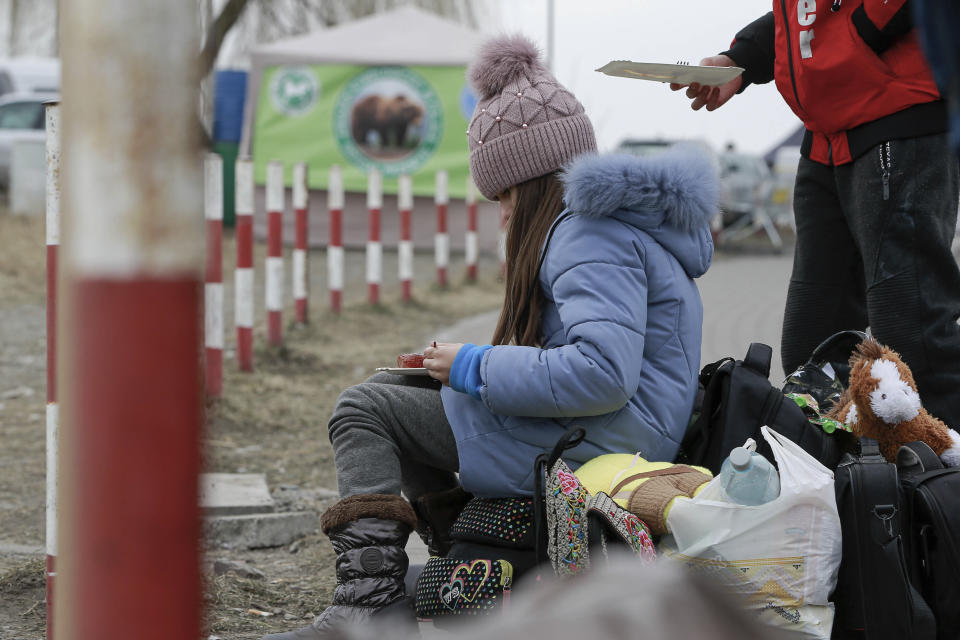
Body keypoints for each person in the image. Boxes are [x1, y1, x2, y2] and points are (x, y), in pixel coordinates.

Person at [263, 34, 717, 640]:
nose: (502, 215)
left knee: (365, 410)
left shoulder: (586, 234)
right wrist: (455, 367)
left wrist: (475, 364)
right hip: (623, 426)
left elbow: (603, 374)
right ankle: (467, 563)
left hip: (605, 436)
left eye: (503, 196)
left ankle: (369, 599)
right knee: (396, 390)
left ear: (529, 183)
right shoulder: (611, 227)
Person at [672, 2, 960, 428]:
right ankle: (843, 477)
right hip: (825, 139)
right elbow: (803, 12)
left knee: (912, 336)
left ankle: (942, 481)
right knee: (813, 349)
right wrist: (740, 62)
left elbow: (834, 18)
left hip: (895, 118)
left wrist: (864, 28)